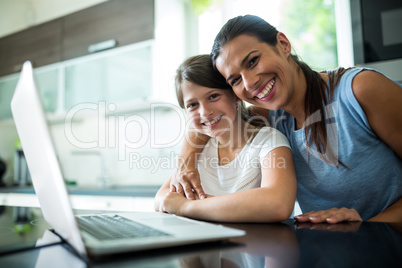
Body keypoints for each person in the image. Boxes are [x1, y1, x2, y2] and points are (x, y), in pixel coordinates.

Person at [170, 15, 402, 223]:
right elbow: (211, 120)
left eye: (252, 61)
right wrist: (186, 161)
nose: (250, 83)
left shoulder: (360, 90)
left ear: (283, 44)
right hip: (331, 250)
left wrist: (370, 224)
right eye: (236, 80)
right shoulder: (271, 116)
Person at [154, 54, 297, 222]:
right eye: (192, 105)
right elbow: (162, 199)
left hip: (256, 245)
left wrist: (186, 206)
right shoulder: (200, 148)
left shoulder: (269, 141)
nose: (204, 112)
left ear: (235, 95)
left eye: (213, 96)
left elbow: (277, 203)